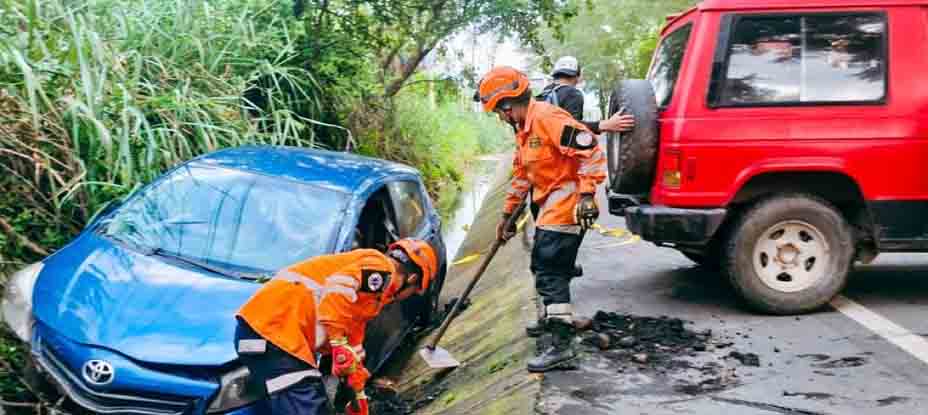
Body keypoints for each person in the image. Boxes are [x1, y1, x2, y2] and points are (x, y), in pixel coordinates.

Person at [476, 66, 634, 372]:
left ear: (508, 105)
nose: (500, 118)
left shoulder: (548, 118)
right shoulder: (524, 131)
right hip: (549, 202)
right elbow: (522, 177)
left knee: (551, 270)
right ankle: (555, 318)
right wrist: (507, 215)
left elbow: (590, 151)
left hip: (569, 201)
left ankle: (562, 346)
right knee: (542, 263)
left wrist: (588, 195)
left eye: (499, 112)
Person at [234, 239, 438, 415]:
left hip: (269, 334)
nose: (406, 297)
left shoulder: (371, 297)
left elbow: (352, 334)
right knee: (309, 407)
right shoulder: (382, 269)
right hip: (274, 332)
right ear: (412, 279)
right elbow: (337, 292)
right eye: (413, 291)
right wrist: (338, 343)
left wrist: (357, 385)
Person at [537, 56, 635, 134]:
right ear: (577, 76)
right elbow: (572, 129)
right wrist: (606, 124)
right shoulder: (572, 93)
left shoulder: (544, 92)